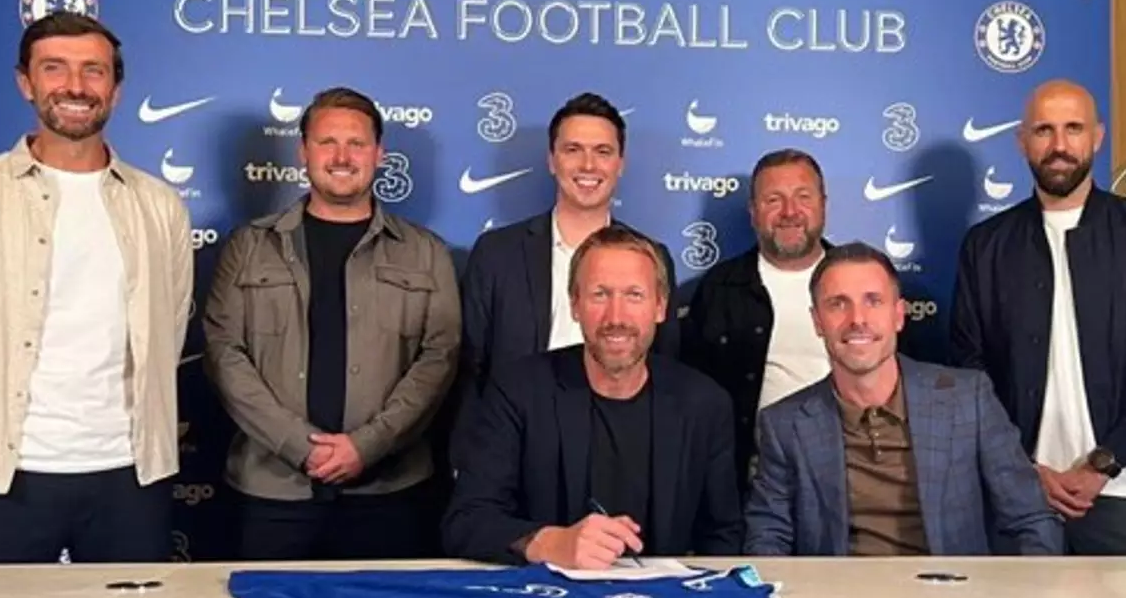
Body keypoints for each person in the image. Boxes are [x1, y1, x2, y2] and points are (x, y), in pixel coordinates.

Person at [0, 12, 192, 564]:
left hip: (129, 475)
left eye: (94, 71)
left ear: (116, 87)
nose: (76, 87)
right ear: (26, 82)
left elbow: (170, 326)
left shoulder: (159, 204)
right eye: (55, 69)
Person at [202, 86, 460, 561]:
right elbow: (224, 353)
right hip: (271, 495)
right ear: (303, 152)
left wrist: (368, 445)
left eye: (356, 144)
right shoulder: (249, 247)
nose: (342, 157)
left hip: (389, 494)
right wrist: (300, 446)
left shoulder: (426, 253)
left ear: (379, 154)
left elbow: (438, 359)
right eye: (327, 143)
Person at [950, 79, 1126, 555]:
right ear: (1022, 141)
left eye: (1073, 128)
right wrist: (1023, 469)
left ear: (1097, 137)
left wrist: (1102, 465)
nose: (1059, 145)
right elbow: (969, 374)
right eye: (1044, 130)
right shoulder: (986, 247)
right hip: (1019, 498)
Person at [443, 224, 740, 568]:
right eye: (600, 294)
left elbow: (723, 536)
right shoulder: (518, 391)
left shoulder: (705, 404)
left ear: (660, 307)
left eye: (634, 295)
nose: (616, 317)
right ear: (575, 305)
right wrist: (548, 543)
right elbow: (465, 521)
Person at [745, 243, 1062, 557]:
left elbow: (1031, 519)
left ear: (899, 315)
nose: (857, 319)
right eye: (838, 304)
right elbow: (767, 537)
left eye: (873, 301)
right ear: (817, 322)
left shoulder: (968, 399)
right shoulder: (783, 424)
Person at [459, 92, 679, 394]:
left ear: (620, 164)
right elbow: (470, 370)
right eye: (573, 149)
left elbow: (665, 370)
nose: (588, 165)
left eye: (603, 151)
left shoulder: (652, 258)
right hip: (517, 432)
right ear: (552, 161)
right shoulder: (497, 254)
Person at [682, 148, 833, 495]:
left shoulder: (861, 281)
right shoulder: (718, 290)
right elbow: (690, 402)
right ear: (753, 212)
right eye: (773, 200)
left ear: (823, 204)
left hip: (850, 474)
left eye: (803, 197)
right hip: (755, 482)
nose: (790, 212)